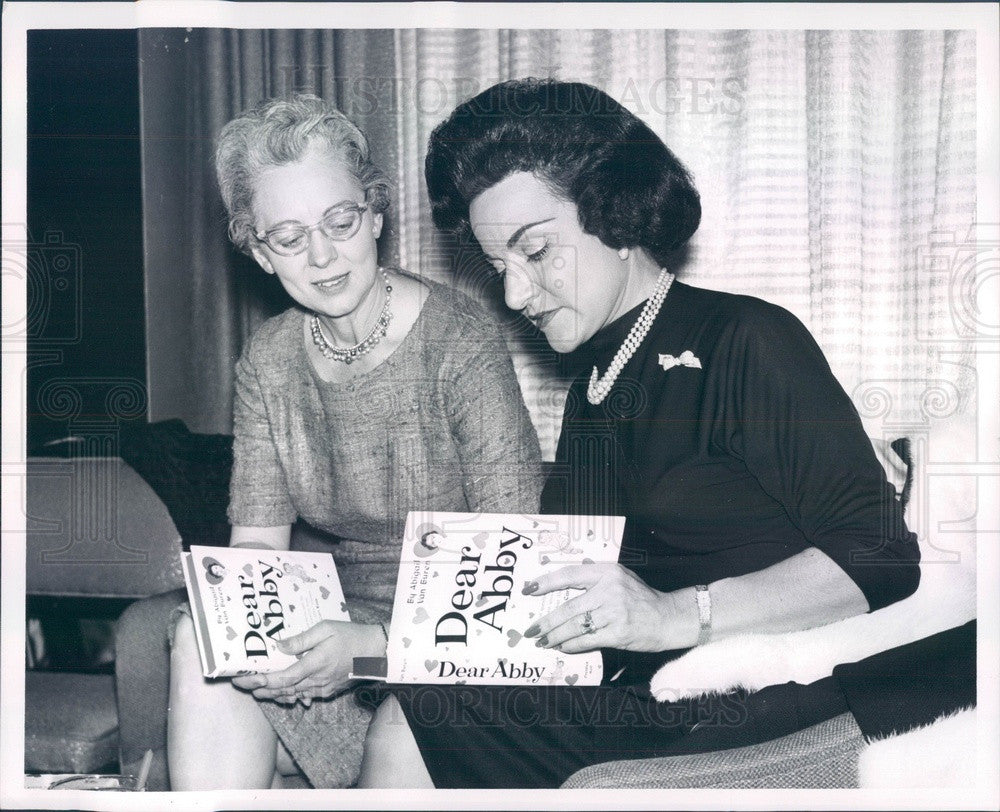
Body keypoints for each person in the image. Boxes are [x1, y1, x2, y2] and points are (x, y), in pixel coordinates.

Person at [356, 78, 922, 789]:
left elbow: (884, 559)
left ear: (617, 214)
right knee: (416, 707)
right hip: (654, 699)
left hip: (768, 708)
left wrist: (671, 616)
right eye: (499, 267)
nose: (514, 294)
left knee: (413, 722)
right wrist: (381, 645)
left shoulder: (744, 338)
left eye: (537, 252)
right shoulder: (592, 391)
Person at [166, 95, 543, 789]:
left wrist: (369, 650)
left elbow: (513, 568)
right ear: (256, 249)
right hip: (336, 632)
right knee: (199, 641)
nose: (321, 254)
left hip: (461, 640)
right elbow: (258, 550)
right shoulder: (269, 360)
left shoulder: (460, 341)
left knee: (407, 727)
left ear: (374, 215)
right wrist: (248, 632)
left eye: (340, 222)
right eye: (287, 236)